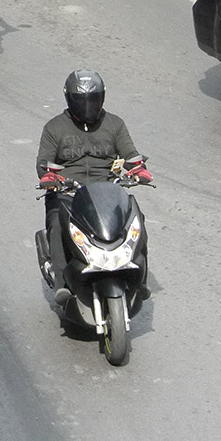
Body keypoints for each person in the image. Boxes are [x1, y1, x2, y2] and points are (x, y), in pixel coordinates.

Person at [35, 70, 152, 288]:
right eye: (81, 100)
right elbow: (43, 164)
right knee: (56, 224)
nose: (88, 106)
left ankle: (139, 278)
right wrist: (50, 178)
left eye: (93, 100)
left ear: (102, 98)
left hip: (107, 193)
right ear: (70, 99)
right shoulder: (54, 128)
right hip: (68, 194)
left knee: (137, 218)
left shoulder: (115, 124)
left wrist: (138, 170)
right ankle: (63, 284)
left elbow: (130, 154)